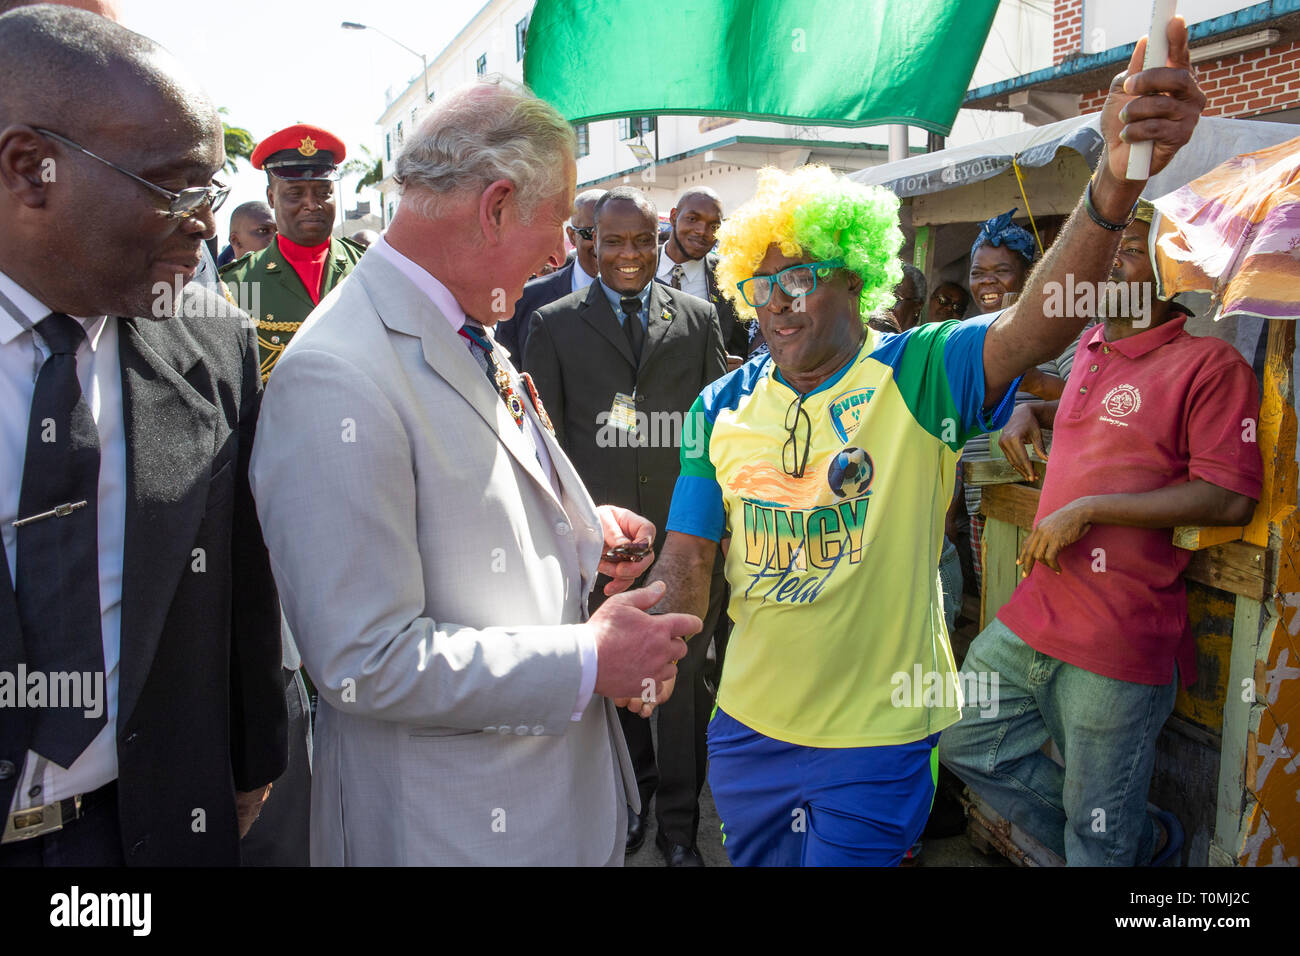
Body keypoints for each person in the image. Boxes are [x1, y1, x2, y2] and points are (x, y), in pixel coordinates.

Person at [639, 19, 1206, 866]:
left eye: (801, 278)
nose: (778, 302)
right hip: (748, 736)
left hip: (878, 740)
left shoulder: (918, 373)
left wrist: (1113, 186)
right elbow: (689, 556)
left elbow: (1033, 325)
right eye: (761, 284)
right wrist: (650, 621)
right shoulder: (717, 406)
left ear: (855, 278)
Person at [248, 77, 700, 866]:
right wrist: (592, 658)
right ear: (494, 206)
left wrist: (585, 534)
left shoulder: (464, 322)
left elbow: (472, 504)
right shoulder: (338, 374)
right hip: (452, 833)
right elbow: (364, 662)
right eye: (557, 221)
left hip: (543, 815)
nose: (565, 251)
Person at [0, 5, 285, 865]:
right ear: (30, 169)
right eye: (175, 188)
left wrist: (246, 767)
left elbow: (238, 576)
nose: (204, 224)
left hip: (144, 830)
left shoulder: (210, 338)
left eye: (212, 192)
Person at [938, 199, 1260, 866]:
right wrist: (1031, 411)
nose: (1109, 261)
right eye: (1104, 249)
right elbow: (1100, 424)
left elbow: (1228, 498)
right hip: (1035, 613)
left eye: (1131, 249)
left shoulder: (1210, 365)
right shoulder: (1088, 345)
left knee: (1095, 842)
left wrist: (1088, 509)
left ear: (1171, 272)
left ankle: (1115, 841)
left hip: (1119, 634)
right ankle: (1138, 840)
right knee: (960, 739)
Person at [523, 186, 728, 866]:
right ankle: (633, 804)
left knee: (684, 689)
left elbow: (718, 429)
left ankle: (678, 825)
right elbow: (543, 448)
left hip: (684, 543)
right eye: (614, 242)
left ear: (659, 237)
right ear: (590, 243)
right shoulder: (552, 323)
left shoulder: (698, 319)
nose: (630, 255)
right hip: (604, 551)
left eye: (643, 240)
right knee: (618, 684)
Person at [218, 124, 365, 382]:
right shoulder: (235, 286)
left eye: (324, 193)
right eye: (295, 194)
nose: (312, 204)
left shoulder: (368, 268)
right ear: (271, 197)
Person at [495, 188, 603, 360]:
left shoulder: (650, 300)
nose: (601, 245)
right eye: (591, 234)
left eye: (612, 235)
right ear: (572, 236)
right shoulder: (524, 300)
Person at [657, 187, 749, 366]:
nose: (702, 231)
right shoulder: (641, 266)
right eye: (692, 219)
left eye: (714, 226)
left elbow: (740, 348)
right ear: (674, 216)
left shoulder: (729, 277)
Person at [216, 200, 275, 268]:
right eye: (263, 231)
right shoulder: (221, 277)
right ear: (236, 240)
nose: (276, 237)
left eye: (278, 232)